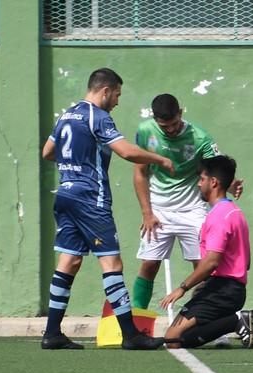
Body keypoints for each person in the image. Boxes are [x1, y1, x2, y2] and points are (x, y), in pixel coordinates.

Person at [40, 68, 174, 351]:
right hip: (91, 198)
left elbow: (48, 152)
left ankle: (51, 333)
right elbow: (126, 151)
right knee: (111, 264)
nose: (117, 101)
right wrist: (158, 159)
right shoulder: (97, 117)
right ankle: (130, 334)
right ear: (105, 90)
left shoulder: (67, 114)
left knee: (69, 261)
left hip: (65, 194)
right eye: (117, 95)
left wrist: (74, 162)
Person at [131, 94, 242, 322]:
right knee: (149, 265)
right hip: (158, 211)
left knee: (203, 268)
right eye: (165, 126)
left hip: (193, 210)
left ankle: (207, 321)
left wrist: (230, 184)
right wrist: (147, 213)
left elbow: (216, 169)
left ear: (180, 113)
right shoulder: (145, 132)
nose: (170, 130)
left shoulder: (199, 137)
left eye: (174, 124)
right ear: (155, 119)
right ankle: (136, 322)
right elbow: (140, 173)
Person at [158, 155, 253, 349]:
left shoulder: (218, 217)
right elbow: (246, 262)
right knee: (183, 337)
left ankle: (236, 321)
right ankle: (237, 320)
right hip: (233, 290)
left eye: (202, 179)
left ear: (213, 182)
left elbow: (211, 262)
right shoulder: (235, 212)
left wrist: (182, 289)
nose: (199, 184)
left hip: (221, 291)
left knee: (172, 339)